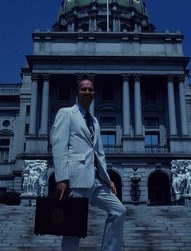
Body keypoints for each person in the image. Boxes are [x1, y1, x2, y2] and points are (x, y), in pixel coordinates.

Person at [51, 78, 126, 251]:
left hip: (96, 180)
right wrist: (61, 178)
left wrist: (108, 180)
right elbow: (59, 146)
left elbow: (99, 154)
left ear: (94, 94)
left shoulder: (94, 121)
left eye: (90, 90)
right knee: (72, 228)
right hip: (76, 179)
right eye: (83, 89)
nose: (87, 92)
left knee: (119, 210)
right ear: (77, 92)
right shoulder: (66, 113)